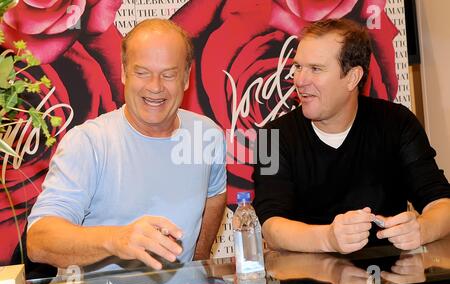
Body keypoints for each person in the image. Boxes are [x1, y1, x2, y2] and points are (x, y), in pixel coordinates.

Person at [26, 19, 227, 270]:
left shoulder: (207, 135)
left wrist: (198, 266)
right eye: (142, 72)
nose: (155, 87)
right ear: (124, 73)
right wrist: (116, 239)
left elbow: (215, 195)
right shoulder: (88, 142)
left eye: (168, 74)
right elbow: (39, 240)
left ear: (185, 78)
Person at [253, 19, 450, 254]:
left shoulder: (398, 122)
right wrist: (328, 238)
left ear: (352, 77)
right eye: (298, 67)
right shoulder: (271, 137)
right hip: (307, 283)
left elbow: (442, 203)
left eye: (315, 69)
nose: (299, 80)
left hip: (391, 282)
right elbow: (272, 227)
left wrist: (421, 229)